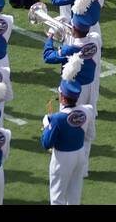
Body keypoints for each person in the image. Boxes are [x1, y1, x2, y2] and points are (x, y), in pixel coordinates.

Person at [41, 57, 95, 205]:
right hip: (80, 154)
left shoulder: (57, 119)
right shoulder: (88, 111)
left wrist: (47, 125)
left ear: (63, 98)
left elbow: (46, 143)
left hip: (62, 159)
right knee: (74, 196)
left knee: (57, 198)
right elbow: (91, 135)